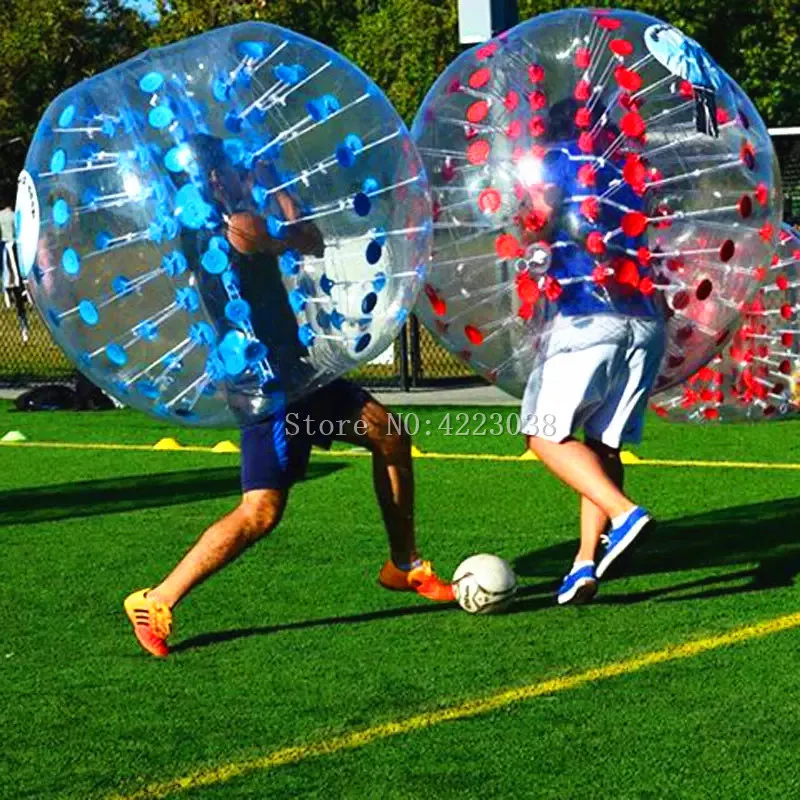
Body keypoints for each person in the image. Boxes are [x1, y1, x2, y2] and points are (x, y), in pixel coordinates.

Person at [125, 136, 453, 658]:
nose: (242, 175)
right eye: (234, 170)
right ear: (214, 180)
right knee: (260, 512)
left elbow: (310, 236)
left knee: (389, 436)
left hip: (296, 373)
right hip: (265, 385)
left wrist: (278, 199)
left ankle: (403, 565)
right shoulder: (227, 227)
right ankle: (156, 598)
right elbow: (296, 238)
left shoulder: (240, 218)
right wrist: (276, 194)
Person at [518, 101, 666, 605]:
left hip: (587, 318)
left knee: (542, 435)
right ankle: (586, 563)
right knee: (602, 446)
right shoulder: (628, 170)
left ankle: (624, 514)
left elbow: (539, 217)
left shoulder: (561, 157)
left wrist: (526, 222)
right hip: (644, 323)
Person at [0, 189, 30, 343]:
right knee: (16, 280)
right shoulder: (13, 216)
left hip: (6, 247)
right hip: (13, 247)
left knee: (8, 278)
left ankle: (8, 297)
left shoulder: (2, 216)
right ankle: (20, 295)